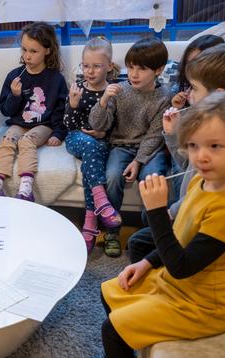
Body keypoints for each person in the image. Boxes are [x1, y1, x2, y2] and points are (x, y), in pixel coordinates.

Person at [101, 91, 225, 358]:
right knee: (111, 291)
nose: (200, 156)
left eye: (215, 146)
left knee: (112, 329)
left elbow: (181, 266)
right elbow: (182, 233)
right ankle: (122, 357)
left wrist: (156, 212)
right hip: (178, 284)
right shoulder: (205, 178)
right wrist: (145, 262)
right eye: (193, 146)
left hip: (204, 306)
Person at [128, 42, 225, 263]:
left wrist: (163, 212)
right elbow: (190, 166)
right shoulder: (212, 120)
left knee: (141, 241)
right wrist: (172, 134)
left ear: (218, 95)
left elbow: (183, 264)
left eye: (194, 88)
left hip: (197, 218)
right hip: (192, 209)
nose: (189, 95)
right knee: (145, 229)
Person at [88, 37, 172, 258]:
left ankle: (152, 234)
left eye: (141, 69)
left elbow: (155, 135)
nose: (134, 74)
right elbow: (97, 125)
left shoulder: (165, 97)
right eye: (131, 67)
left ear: (158, 70)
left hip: (150, 150)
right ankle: (112, 231)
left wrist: (138, 161)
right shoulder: (120, 91)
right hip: (121, 145)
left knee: (151, 179)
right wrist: (104, 99)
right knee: (113, 175)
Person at [50, 36, 122, 253]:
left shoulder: (113, 91)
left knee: (94, 157)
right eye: (86, 66)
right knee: (91, 146)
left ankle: (90, 222)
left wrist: (104, 132)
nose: (90, 71)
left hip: (101, 143)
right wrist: (72, 105)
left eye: (97, 66)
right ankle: (101, 201)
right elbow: (68, 125)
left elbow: (118, 123)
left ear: (109, 66)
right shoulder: (78, 88)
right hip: (76, 139)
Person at [0, 22, 68, 202]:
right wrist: (15, 95)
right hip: (18, 124)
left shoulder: (56, 79)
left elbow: (60, 110)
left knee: (26, 141)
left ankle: (26, 188)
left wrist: (58, 133)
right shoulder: (15, 76)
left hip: (43, 125)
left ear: (47, 50)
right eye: (24, 50)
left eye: (33, 51)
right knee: (7, 140)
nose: (27, 56)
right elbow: (6, 110)